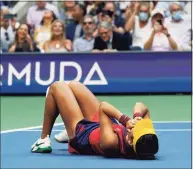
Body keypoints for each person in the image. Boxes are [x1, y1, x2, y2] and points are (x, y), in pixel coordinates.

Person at [31, 81, 159, 159]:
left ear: (130, 142)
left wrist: (125, 120)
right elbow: (141, 106)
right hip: (104, 126)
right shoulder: (145, 138)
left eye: (138, 129)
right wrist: (137, 115)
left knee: (57, 86)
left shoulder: (111, 143)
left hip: (83, 134)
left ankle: (43, 140)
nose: (139, 126)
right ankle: (66, 125)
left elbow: (103, 107)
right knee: (75, 86)